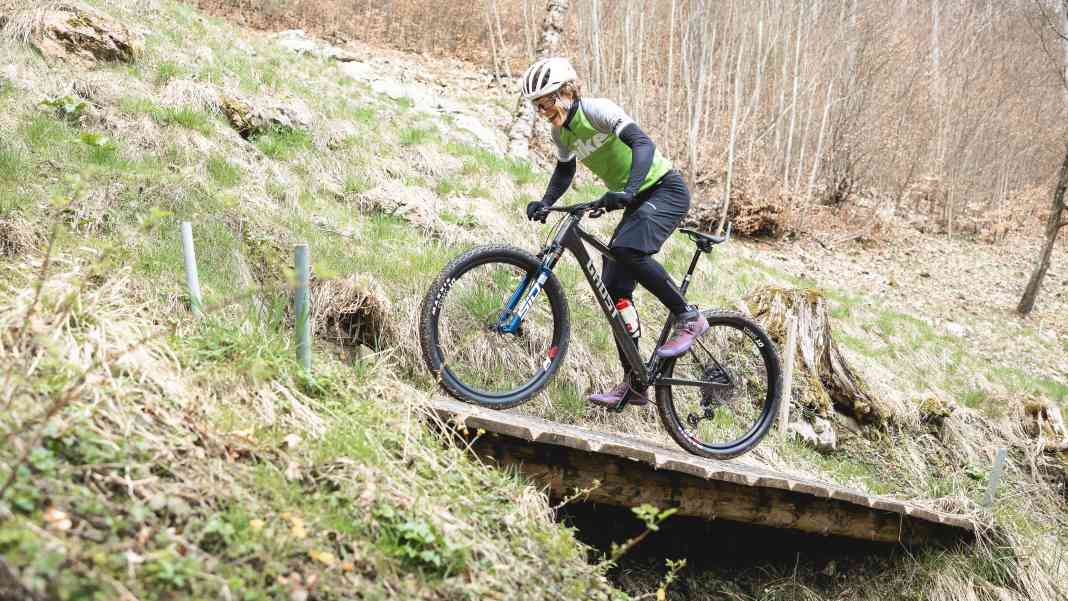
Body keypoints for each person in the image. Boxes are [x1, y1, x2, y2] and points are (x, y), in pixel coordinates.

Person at [521, 57, 709, 408]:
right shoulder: (560, 133)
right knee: (614, 288)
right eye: (537, 106)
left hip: (664, 190)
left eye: (546, 102)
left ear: (566, 92)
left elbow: (643, 145)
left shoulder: (597, 111)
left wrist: (627, 191)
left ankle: (689, 316)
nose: (543, 111)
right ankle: (635, 383)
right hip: (635, 198)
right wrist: (545, 202)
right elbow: (564, 171)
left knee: (626, 249)